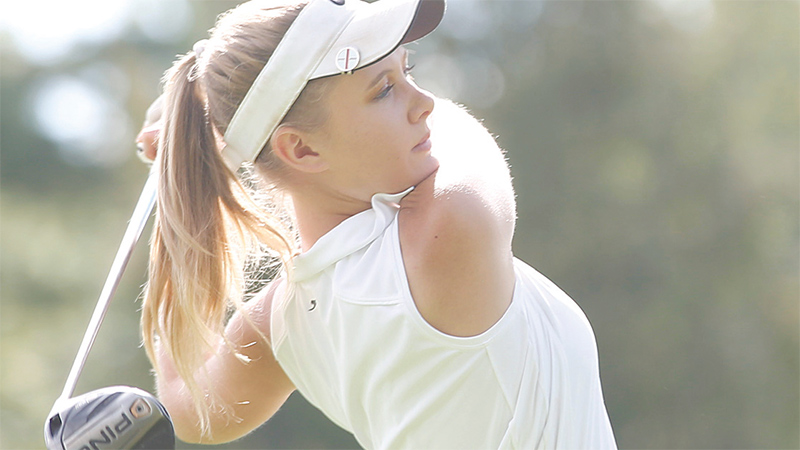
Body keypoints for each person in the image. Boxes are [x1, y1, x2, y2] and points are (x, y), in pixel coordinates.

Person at [136, 0, 618, 448]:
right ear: (300, 150)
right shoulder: (448, 224)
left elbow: (186, 406)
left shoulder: (281, 324)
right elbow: (456, 126)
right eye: (385, 89)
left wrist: (194, 141)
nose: (423, 102)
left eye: (409, 71)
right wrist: (198, 128)